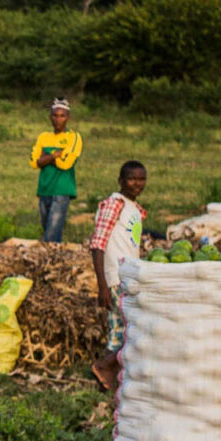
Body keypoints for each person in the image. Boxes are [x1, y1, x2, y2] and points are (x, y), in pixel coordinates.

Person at [88, 160, 148, 394]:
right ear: (120, 181)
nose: (137, 183)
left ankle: (109, 373)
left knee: (124, 326)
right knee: (121, 329)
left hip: (128, 276)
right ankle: (104, 369)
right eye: (132, 179)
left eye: (141, 179)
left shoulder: (133, 208)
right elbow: (97, 244)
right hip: (115, 276)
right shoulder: (114, 204)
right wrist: (102, 284)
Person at [30, 99, 83, 243]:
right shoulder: (43, 137)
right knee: (50, 231)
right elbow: (34, 162)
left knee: (51, 234)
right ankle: (56, 262)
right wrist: (54, 155)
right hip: (44, 189)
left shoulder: (74, 137)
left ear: (68, 117)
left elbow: (66, 164)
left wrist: (45, 157)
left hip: (62, 190)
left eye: (62, 116)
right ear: (50, 116)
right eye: (55, 115)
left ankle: (45, 262)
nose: (58, 119)